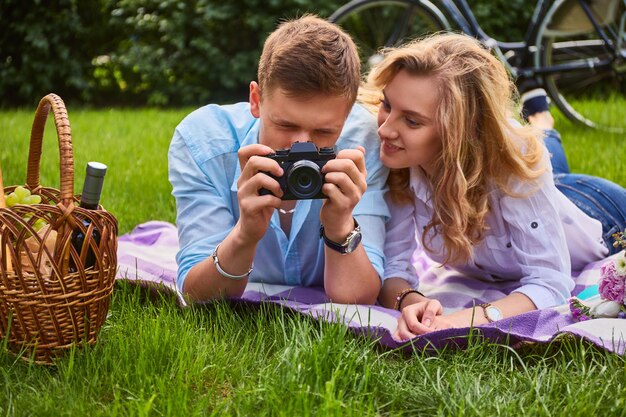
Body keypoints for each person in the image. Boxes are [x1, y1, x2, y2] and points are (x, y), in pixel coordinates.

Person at [358, 33, 626, 339]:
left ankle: (541, 124)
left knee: (537, 154)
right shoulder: (396, 158)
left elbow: (551, 283)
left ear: (457, 131)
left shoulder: (513, 158)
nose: (385, 128)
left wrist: (470, 317)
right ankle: (541, 120)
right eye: (387, 105)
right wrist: (412, 301)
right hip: (535, 188)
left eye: (412, 121)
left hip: (599, 212)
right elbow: (394, 266)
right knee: (545, 164)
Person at [168, 15, 390, 303]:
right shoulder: (203, 142)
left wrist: (340, 225)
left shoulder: (362, 142)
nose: (301, 144)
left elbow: (357, 298)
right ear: (256, 100)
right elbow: (197, 294)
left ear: (347, 117)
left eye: (324, 131)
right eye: (285, 125)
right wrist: (245, 234)